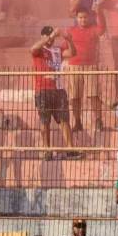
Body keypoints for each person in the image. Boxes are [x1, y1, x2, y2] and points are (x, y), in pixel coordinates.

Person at [31, 25, 77, 158]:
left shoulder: (58, 49)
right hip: (43, 89)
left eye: (51, 36)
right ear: (42, 37)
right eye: (47, 36)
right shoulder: (40, 50)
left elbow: (72, 53)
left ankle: (70, 149)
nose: (50, 39)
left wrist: (69, 40)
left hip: (58, 89)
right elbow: (33, 49)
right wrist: (51, 37)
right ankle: (47, 150)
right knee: (45, 121)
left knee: (64, 120)